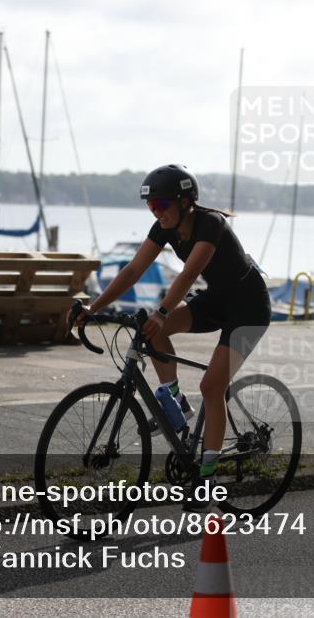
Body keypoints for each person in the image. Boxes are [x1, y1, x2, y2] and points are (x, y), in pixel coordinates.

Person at [74, 164, 271, 511]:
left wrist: (162, 311)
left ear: (185, 202)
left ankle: (206, 478)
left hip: (250, 308)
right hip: (218, 299)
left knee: (212, 386)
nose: (157, 212)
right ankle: (176, 401)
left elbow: (188, 273)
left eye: (162, 206)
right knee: (154, 333)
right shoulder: (165, 228)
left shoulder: (212, 224)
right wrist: (93, 306)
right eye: (151, 207)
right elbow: (133, 270)